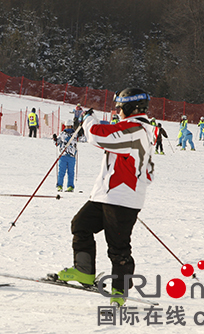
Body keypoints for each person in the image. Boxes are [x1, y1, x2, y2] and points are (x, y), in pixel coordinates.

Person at [56, 88, 156, 308]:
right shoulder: (136, 128)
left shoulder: (136, 128)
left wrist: (88, 119)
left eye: (120, 107)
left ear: (131, 107)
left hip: (122, 196)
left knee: (118, 247)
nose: (117, 111)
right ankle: (84, 271)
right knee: (80, 225)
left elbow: (100, 135)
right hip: (108, 194)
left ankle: (119, 291)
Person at [53, 119, 77, 192]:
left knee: (71, 172)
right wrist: (55, 139)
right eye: (67, 126)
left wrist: (82, 134)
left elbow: (80, 140)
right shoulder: (62, 134)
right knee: (61, 172)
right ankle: (59, 185)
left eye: (69, 127)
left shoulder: (75, 134)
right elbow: (57, 143)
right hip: (63, 155)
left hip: (71, 156)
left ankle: (70, 186)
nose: (68, 128)